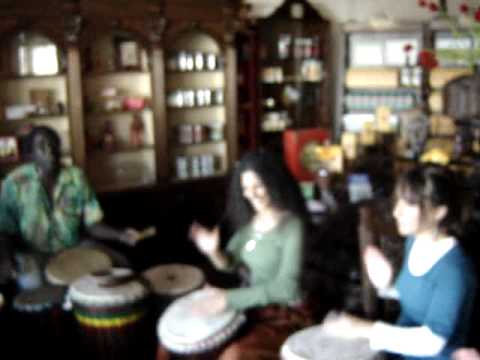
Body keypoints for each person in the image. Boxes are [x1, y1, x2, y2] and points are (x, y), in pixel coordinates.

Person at [159, 149, 311, 359]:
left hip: (286, 313)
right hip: (251, 306)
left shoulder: (292, 227)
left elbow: (287, 288)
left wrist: (228, 298)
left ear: (273, 182)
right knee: (170, 342)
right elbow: (228, 263)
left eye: (258, 186)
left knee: (234, 355)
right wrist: (213, 252)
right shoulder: (249, 225)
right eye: (246, 188)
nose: (251, 194)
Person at [323, 165, 477, 360]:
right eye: (398, 202)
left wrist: (363, 328)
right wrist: (386, 285)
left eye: (409, 204)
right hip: (401, 353)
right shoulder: (414, 242)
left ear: (439, 212)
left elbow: (432, 342)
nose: (396, 212)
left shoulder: (453, 271)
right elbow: (417, 298)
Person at [0, 126, 143, 288]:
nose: (50, 151)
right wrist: (6, 258)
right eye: (42, 146)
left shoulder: (76, 177)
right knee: (32, 285)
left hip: (74, 247)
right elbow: (4, 230)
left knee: (122, 264)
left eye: (53, 145)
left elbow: (92, 223)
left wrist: (121, 235)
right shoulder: (14, 182)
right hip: (33, 252)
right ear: (31, 154)